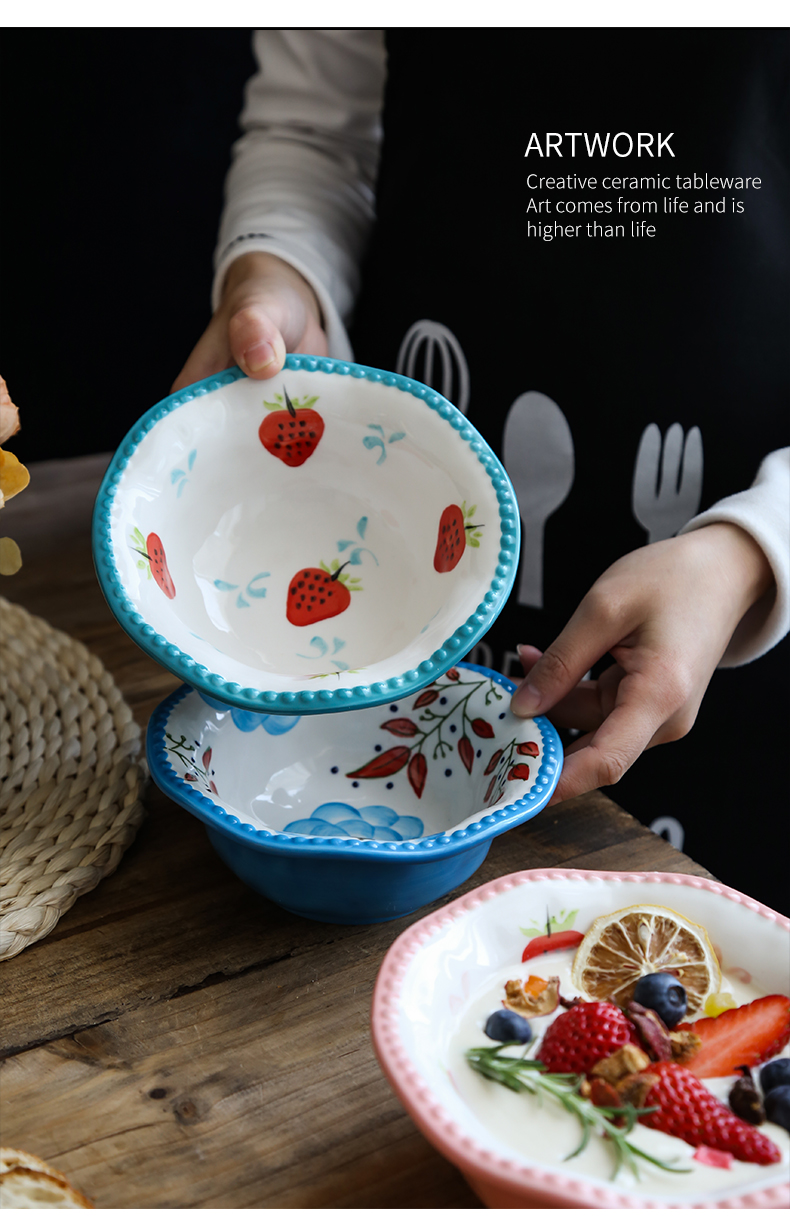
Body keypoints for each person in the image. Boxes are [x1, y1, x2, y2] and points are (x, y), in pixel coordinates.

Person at [172, 30, 789, 901]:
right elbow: (320, 136)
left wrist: (752, 550)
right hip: (402, 512)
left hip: (740, 594)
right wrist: (280, 279)